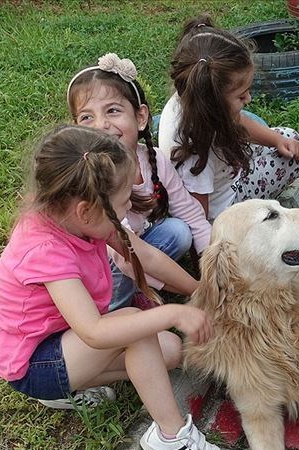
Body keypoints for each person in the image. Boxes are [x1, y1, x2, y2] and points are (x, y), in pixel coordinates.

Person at [0, 125, 221, 450]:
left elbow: (148, 256)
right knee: (134, 327)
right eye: (125, 201)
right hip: (34, 364)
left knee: (169, 350)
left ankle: (69, 387)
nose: (128, 209)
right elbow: (95, 332)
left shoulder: (76, 218)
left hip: (64, 342)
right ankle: (172, 437)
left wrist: (201, 292)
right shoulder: (45, 250)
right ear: (86, 210)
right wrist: (172, 312)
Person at [158, 15, 299, 221]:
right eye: (241, 95)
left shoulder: (197, 100)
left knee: (289, 137)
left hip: (227, 179)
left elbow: (238, 122)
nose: (249, 98)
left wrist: (277, 140)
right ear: (214, 101)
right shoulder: (195, 147)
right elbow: (197, 217)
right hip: (230, 207)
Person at [67, 53, 212, 310]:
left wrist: (214, 264)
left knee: (178, 230)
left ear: (141, 117)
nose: (101, 125)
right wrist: (198, 291)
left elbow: (192, 215)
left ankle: (143, 289)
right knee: (120, 301)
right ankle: (117, 309)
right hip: (102, 264)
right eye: (87, 117)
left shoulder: (154, 160)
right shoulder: (90, 180)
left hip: (136, 245)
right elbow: (125, 255)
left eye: (112, 111)